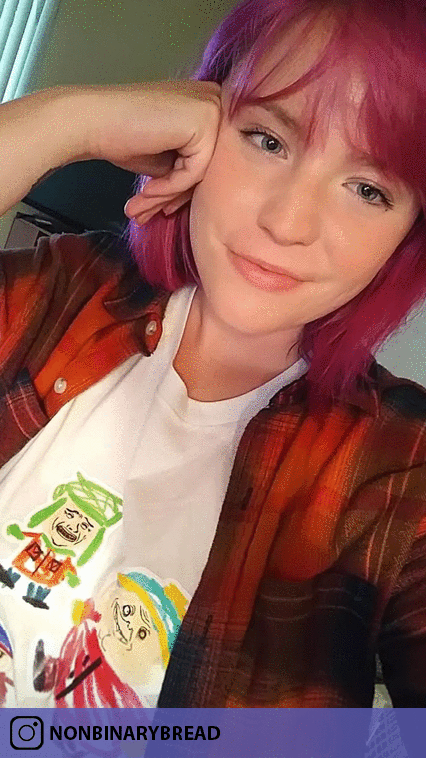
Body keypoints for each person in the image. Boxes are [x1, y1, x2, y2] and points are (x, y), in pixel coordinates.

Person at [0, 0, 425, 711]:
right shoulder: (65, 294)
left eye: (368, 189)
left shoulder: (399, 466)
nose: (287, 222)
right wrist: (70, 123)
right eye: (267, 139)